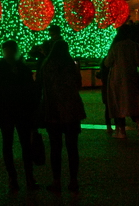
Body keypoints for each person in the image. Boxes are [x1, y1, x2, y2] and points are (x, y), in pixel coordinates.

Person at [0, 40, 41, 192]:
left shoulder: (0, 67)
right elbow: (30, 90)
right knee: (24, 144)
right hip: (20, 112)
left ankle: (14, 178)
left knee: (9, 145)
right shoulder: (21, 67)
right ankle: (28, 178)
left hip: (8, 112)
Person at [39, 38, 85, 194]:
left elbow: (43, 87)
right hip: (72, 110)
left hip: (53, 111)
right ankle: (73, 180)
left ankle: (56, 180)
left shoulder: (47, 65)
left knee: (55, 147)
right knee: (72, 148)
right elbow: (78, 85)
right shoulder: (70, 65)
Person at [104, 23, 139, 138]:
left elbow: (107, 62)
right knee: (131, 103)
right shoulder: (134, 46)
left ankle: (121, 131)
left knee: (118, 104)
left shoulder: (116, 46)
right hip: (131, 78)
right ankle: (138, 122)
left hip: (117, 78)